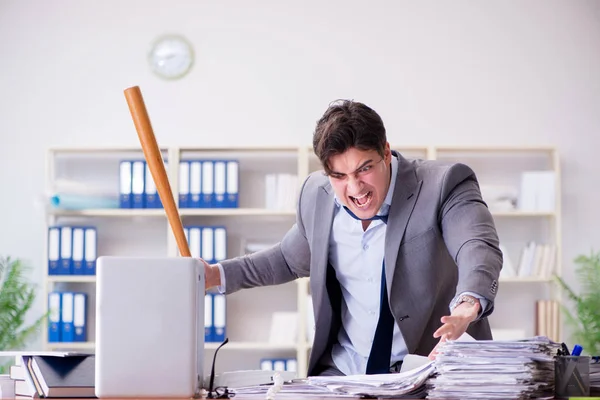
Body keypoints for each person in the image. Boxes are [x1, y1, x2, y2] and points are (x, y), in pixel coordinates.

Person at [203, 99, 503, 377]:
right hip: (346, 373)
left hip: (429, 370)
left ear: (385, 152)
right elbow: (286, 259)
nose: (356, 188)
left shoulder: (443, 183)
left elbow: (475, 245)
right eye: (339, 176)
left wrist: (468, 303)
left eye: (365, 169)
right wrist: (215, 275)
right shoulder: (316, 195)